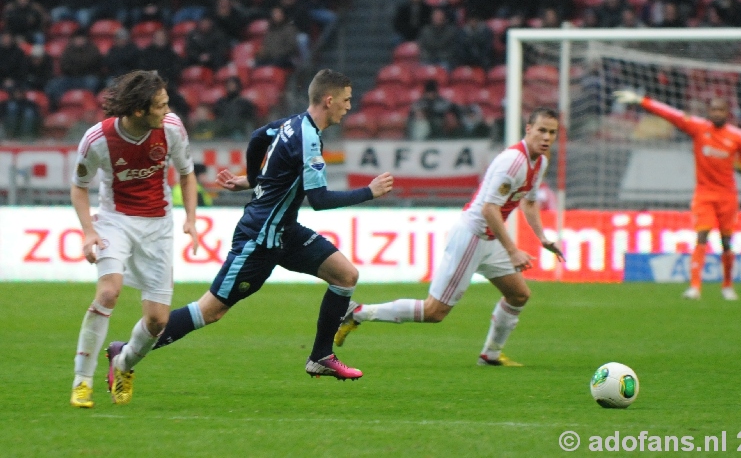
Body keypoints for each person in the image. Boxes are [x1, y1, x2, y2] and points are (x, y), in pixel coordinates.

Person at [139, 69, 394, 381]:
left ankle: (321, 356)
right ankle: (127, 349)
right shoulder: (309, 139)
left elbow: (259, 136)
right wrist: (370, 192)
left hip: (285, 231)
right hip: (259, 237)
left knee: (345, 276)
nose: (349, 106)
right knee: (211, 310)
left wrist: (252, 180)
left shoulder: (293, 123)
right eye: (346, 100)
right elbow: (319, 199)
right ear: (329, 100)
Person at [335, 107, 565, 366]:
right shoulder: (513, 162)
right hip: (473, 236)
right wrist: (512, 250)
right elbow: (490, 209)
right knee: (434, 311)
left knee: (519, 295)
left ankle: (489, 355)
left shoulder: (540, 162)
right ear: (528, 129)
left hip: (490, 239)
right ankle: (358, 313)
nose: (546, 137)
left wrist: (543, 238)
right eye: (541, 130)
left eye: (552, 132)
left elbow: (530, 203)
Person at [69, 70, 200, 409]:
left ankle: (123, 364)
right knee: (109, 291)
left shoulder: (171, 129)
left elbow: (187, 174)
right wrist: (89, 231)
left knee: (158, 320)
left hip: (158, 226)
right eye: (161, 105)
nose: (168, 110)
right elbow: (78, 186)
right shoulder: (98, 139)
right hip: (115, 221)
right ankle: (82, 380)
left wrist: (191, 218)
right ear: (140, 111)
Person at [613, 90, 741, 301]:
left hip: (727, 197)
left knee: (726, 242)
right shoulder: (699, 128)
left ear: (727, 113)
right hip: (704, 194)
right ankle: (695, 287)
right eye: (713, 109)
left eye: (720, 110)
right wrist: (642, 101)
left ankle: (727, 286)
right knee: (701, 236)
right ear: (709, 112)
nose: (716, 113)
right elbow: (672, 114)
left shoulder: (737, 136)